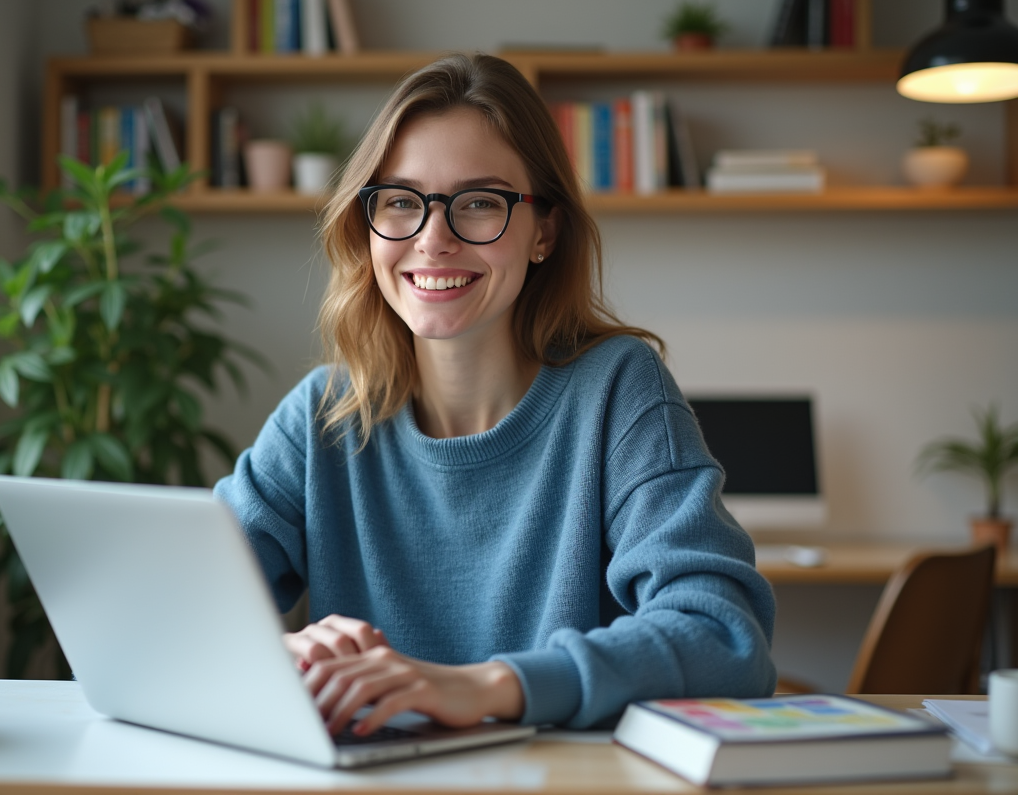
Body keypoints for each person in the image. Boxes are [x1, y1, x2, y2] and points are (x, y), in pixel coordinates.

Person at [213, 53, 776, 737]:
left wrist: (484, 686)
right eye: (399, 201)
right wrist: (283, 655)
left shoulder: (619, 391)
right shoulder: (324, 415)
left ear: (543, 230)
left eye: (479, 202)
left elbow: (721, 636)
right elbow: (177, 607)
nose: (433, 239)